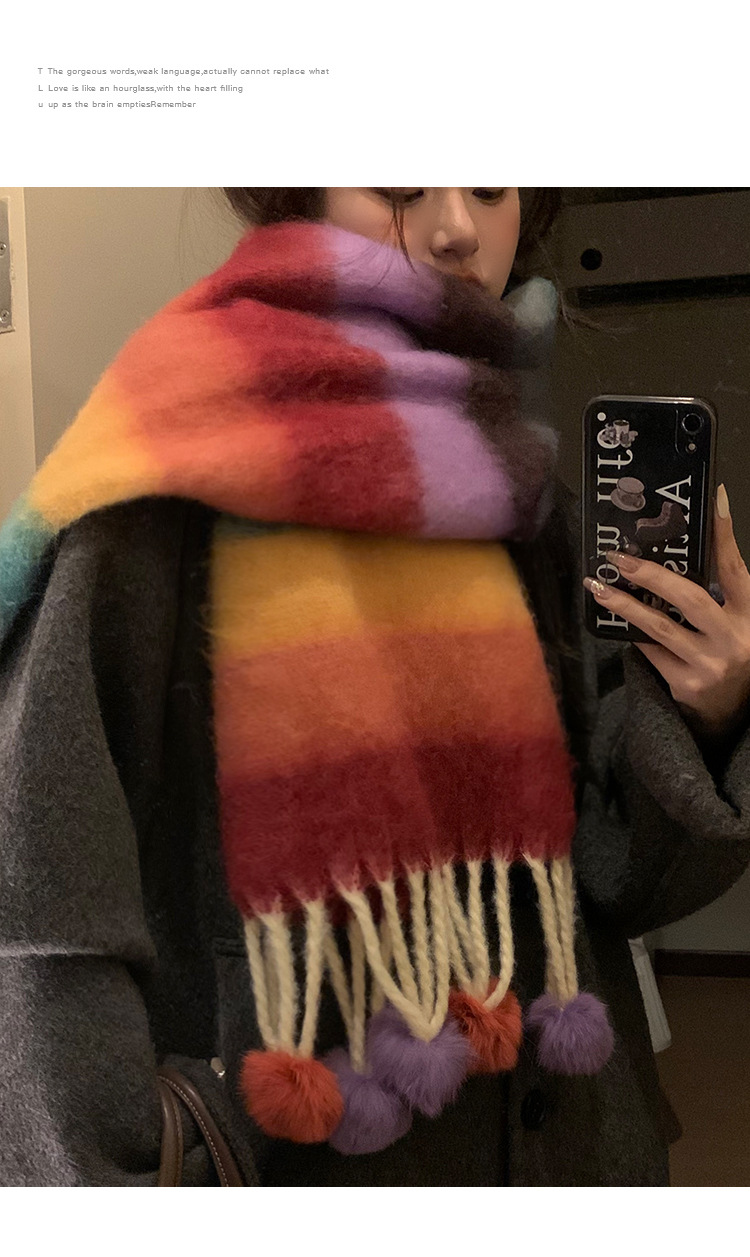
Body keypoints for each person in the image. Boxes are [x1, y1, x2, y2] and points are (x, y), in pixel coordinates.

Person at [2, 188, 750, 1188]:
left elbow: (612, 880)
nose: (456, 227)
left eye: (489, 182)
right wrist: (132, 1170)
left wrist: (706, 716)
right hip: (307, 1153)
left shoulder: (526, 495)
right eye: (398, 183)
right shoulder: (157, 487)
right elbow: (41, 904)